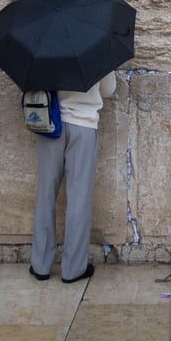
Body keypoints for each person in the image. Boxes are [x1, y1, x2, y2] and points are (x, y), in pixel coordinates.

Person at [30, 71, 118, 283]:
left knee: (46, 194)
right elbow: (108, 90)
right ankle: (73, 268)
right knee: (79, 198)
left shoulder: (47, 42)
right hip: (84, 126)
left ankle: (41, 265)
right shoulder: (98, 46)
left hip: (51, 123)